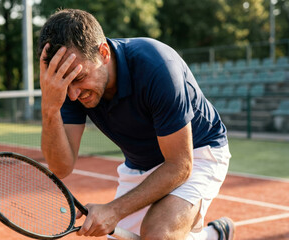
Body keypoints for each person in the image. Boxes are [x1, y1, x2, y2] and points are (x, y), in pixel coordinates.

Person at [38, 8, 234, 240]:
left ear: (103, 53)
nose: (73, 94)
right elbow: (61, 168)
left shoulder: (157, 67)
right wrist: (50, 108)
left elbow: (180, 165)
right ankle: (213, 237)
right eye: (66, 84)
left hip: (197, 152)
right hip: (140, 164)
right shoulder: (71, 87)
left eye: (80, 79)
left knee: (157, 234)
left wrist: (113, 210)